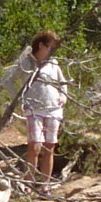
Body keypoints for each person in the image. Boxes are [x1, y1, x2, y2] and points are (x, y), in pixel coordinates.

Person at [21, 30, 67, 192]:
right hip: (34, 110)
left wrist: (63, 96)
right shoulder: (27, 62)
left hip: (54, 110)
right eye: (49, 47)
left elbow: (63, 83)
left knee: (49, 147)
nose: (51, 51)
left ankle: (44, 185)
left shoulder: (53, 63)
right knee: (34, 145)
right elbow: (9, 80)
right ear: (41, 45)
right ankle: (28, 183)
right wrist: (21, 99)